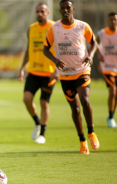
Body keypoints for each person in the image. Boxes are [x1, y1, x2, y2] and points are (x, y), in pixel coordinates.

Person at [43, 0, 100, 154]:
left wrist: (92, 56)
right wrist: (55, 60)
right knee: (75, 108)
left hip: (82, 70)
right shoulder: (54, 28)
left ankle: (91, 132)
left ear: (73, 9)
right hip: (65, 75)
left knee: (85, 99)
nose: (65, 10)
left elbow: (94, 43)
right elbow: (45, 49)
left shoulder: (82, 26)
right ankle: (82, 141)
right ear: (60, 10)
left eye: (68, 8)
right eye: (63, 8)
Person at [17, 3, 58, 144]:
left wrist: (58, 70)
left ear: (48, 12)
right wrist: (22, 68)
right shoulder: (31, 29)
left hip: (49, 73)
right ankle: (37, 122)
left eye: (42, 11)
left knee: (43, 102)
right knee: (26, 99)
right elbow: (29, 49)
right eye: (37, 11)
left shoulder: (54, 28)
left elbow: (60, 50)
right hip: (33, 71)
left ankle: (43, 134)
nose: (39, 14)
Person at [96, 12, 117, 128]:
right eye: (111, 19)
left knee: (116, 94)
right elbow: (95, 44)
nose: (113, 21)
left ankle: (110, 116)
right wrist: (99, 56)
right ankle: (111, 118)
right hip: (107, 67)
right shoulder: (102, 33)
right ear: (107, 21)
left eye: (115, 19)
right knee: (112, 91)